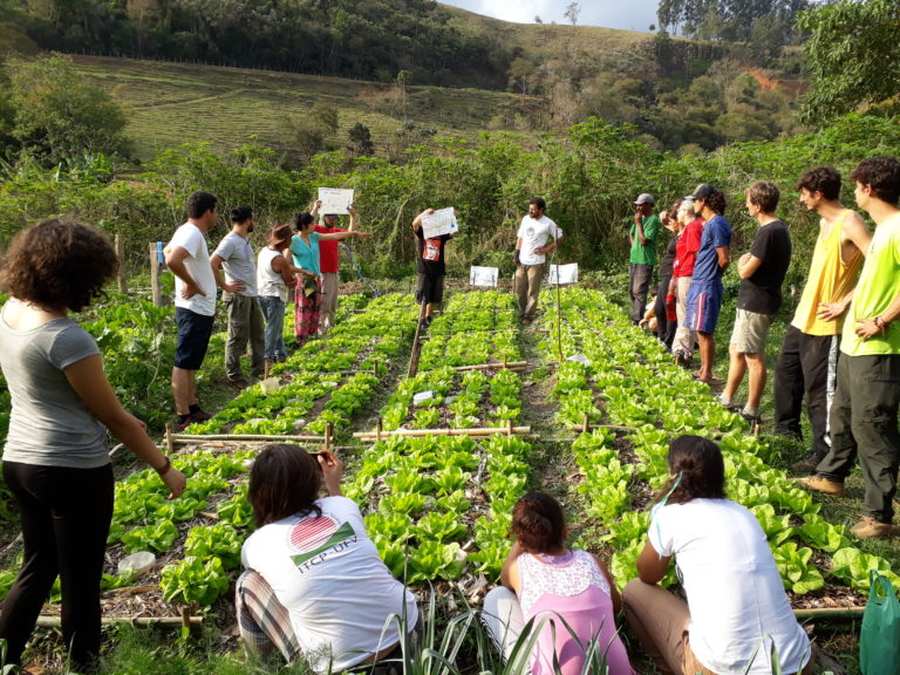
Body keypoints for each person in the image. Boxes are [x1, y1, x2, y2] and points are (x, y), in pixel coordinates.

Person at [0, 220, 187, 673]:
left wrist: (109, 415)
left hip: (20, 460)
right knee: (82, 577)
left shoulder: (10, 311)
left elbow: (63, 396)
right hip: (72, 469)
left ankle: (7, 653)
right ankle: (85, 664)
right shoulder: (66, 337)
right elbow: (113, 417)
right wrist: (164, 466)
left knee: (39, 563)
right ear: (79, 276)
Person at [623, 436, 813, 675]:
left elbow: (648, 575)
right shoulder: (744, 513)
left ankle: (673, 667)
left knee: (633, 590)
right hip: (796, 664)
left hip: (722, 669)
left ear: (673, 474)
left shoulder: (672, 515)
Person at [237, 444, 418, 673]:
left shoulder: (257, 544)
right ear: (313, 480)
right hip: (410, 634)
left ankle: (264, 668)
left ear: (257, 492)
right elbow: (340, 513)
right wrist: (334, 484)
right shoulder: (342, 506)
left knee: (247, 583)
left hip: (342, 666)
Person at [800, 157, 900, 539]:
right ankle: (832, 475)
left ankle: (879, 515)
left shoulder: (896, 228)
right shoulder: (883, 228)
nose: (854, 191)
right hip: (855, 345)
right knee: (843, 415)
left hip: (880, 347)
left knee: (872, 426)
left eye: (857, 185)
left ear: (868, 188)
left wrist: (882, 319)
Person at [774, 167, 870, 470]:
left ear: (818, 193)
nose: (801, 199)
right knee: (786, 379)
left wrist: (845, 301)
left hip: (827, 325)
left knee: (821, 393)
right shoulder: (824, 223)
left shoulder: (850, 222)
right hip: (803, 318)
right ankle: (786, 438)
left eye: (804, 193)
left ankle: (828, 455)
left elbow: (879, 264)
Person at [483, 492, 633, 675]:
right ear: (565, 530)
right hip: (616, 671)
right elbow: (615, 606)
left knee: (496, 597)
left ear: (521, 540)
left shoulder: (520, 568)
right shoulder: (591, 561)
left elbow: (504, 579)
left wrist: (520, 543)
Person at [718, 182, 792, 424]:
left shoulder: (768, 231)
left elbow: (745, 270)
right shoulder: (779, 229)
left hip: (757, 301)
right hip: (758, 300)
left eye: (749, 201)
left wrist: (741, 262)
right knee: (736, 349)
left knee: (752, 355)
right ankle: (727, 397)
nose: (746, 205)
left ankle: (751, 409)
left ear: (758, 205)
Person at [164, 191, 219, 429]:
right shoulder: (193, 233)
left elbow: (166, 251)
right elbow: (171, 260)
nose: (216, 216)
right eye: (215, 211)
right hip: (193, 307)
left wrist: (187, 279)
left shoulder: (185, 231)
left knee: (191, 361)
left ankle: (193, 406)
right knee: (184, 360)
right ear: (208, 212)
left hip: (198, 308)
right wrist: (191, 283)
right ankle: (183, 413)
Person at [288, 213, 366, 345]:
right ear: (304, 226)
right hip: (305, 280)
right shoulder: (294, 241)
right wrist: (300, 271)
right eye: (311, 224)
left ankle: (313, 337)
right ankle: (301, 339)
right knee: (305, 308)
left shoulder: (314, 237)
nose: (314, 225)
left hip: (315, 279)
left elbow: (335, 236)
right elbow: (285, 262)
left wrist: (354, 233)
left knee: (315, 307)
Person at [211, 206, 265, 387]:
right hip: (238, 296)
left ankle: (260, 369)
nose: (254, 223)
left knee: (257, 333)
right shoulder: (230, 241)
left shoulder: (244, 240)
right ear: (248, 220)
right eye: (253, 219)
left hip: (251, 295)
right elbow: (213, 262)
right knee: (237, 336)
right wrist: (225, 285)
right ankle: (233, 375)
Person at [684, 185, 732, 384]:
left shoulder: (716, 224)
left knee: (704, 331)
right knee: (699, 328)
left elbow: (724, 258)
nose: (693, 204)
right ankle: (703, 369)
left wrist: (712, 277)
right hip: (700, 281)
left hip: (707, 283)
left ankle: (707, 373)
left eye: (695, 200)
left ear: (703, 201)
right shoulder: (708, 224)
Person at [257, 224, 305, 375]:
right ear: (284, 241)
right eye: (290, 238)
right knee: (272, 329)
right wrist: (297, 280)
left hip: (261, 293)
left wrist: (300, 270)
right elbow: (289, 282)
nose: (291, 241)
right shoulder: (280, 259)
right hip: (275, 296)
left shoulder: (264, 251)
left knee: (274, 327)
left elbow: (284, 269)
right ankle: (268, 360)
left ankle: (281, 355)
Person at [312, 200, 359, 335]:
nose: (332, 219)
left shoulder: (335, 231)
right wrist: (315, 208)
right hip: (322, 271)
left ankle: (330, 326)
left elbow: (349, 233)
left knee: (332, 302)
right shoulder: (317, 231)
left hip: (333, 271)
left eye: (334, 217)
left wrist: (352, 216)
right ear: (323, 217)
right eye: (329, 216)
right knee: (324, 302)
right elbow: (306, 224)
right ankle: (321, 329)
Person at [515, 198, 563, 323]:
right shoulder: (526, 219)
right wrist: (516, 252)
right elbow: (520, 237)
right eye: (529, 209)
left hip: (536, 263)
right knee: (519, 289)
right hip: (522, 260)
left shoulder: (548, 223)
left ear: (541, 210)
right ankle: (521, 312)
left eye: (533, 209)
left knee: (532, 291)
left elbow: (560, 238)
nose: (530, 211)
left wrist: (547, 249)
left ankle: (528, 316)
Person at [671, 198, 704, 366]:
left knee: (685, 314)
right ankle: (684, 349)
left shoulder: (692, 227)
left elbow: (697, 252)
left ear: (686, 212)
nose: (677, 215)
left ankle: (682, 350)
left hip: (689, 274)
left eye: (679, 212)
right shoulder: (690, 228)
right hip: (685, 274)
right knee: (686, 313)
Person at [413, 207, 454, 324]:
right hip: (425, 269)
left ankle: (428, 317)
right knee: (423, 295)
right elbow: (414, 224)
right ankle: (421, 318)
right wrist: (424, 213)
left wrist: (452, 217)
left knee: (433, 296)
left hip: (438, 269)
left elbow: (453, 231)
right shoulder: (423, 232)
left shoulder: (441, 234)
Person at [628, 194, 660, 324]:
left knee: (639, 291)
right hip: (634, 259)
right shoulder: (640, 219)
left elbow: (644, 241)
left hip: (645, 261)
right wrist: (633, 247)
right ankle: (636, 317)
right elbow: (631, 234)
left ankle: (637, 320)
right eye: (637, 204)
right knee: (632, 290)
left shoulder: (653, 220)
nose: (637, 207)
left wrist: (638, 223)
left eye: (640, 204)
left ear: (648, 205)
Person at [654, 202, 681, 350]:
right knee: (659, 308)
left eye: (674, 219)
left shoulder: (685, 234)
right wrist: (664, 221)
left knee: (668, 308)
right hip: (666, 274)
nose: (671, 222)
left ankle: (668, 341)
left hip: (673, 274)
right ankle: (662, 336)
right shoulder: (677, 233)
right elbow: (668, 224)